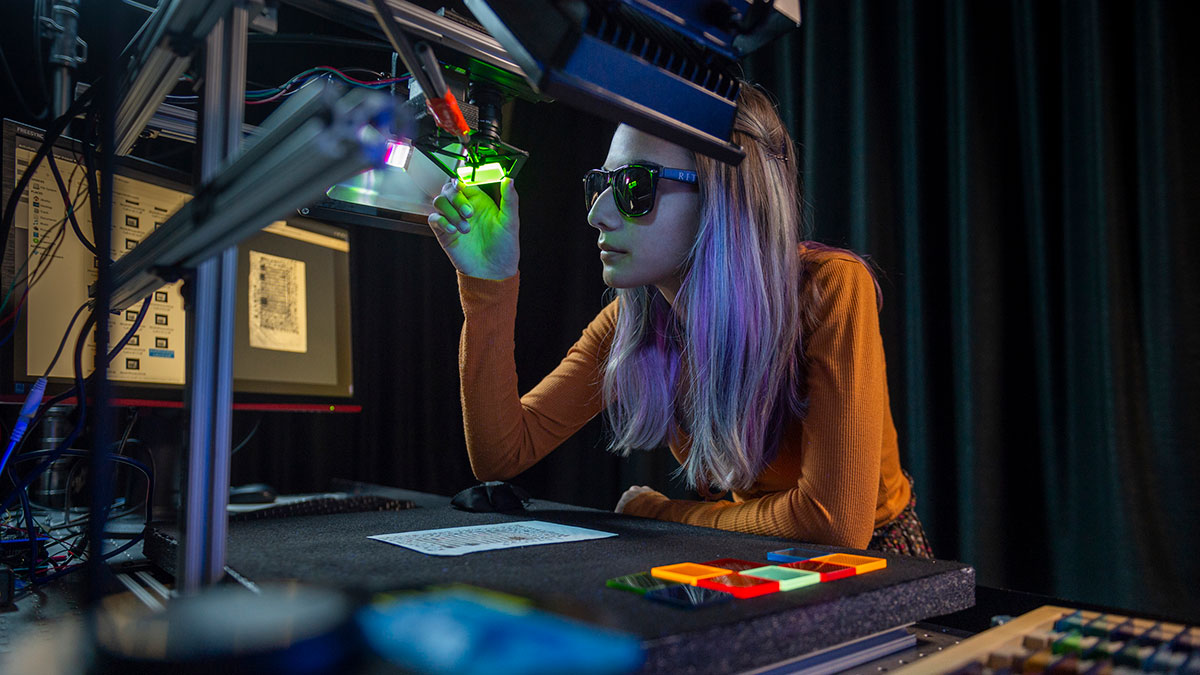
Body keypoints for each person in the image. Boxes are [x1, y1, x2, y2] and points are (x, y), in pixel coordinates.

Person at [425, 83, 933, 557]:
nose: (597, 214)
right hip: (748, 552)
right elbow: (501, 455)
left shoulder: (829, 290)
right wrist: (490, 284)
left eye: (633, 185)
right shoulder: (633, 323)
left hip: (875, 560)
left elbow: (834, 524)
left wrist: (665, 513)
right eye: (601, 184)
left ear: (724, 196)